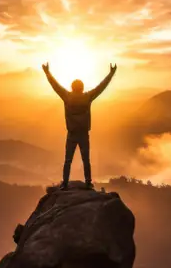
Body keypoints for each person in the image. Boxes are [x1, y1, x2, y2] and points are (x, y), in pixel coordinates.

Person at [42, 61, 117, 189]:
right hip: (83, 134)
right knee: (86, 160)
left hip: (71, 134)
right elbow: (101, 87)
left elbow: (55, 86)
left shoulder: (67, 96)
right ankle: (88, 182)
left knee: (68, 160)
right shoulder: (87, 97)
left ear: (72, 87)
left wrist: (47, 73)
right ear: (82, 88)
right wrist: (111, 74)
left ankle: (65, 183)